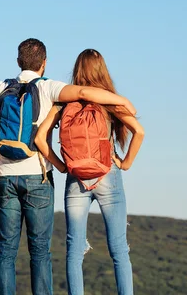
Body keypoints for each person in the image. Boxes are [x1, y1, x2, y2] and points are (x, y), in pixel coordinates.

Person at [0, 39, 137, 295]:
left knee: (5, 252)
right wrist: (123, 102)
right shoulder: (48, 87)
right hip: (38, 177)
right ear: (44, 63)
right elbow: (85, 93)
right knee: (40, 251)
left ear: (19, 61)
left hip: (7, 179)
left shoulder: (0, 88)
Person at [35, 49, 145, 295]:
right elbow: (139, 131)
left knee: (74, 250)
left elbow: (41, 138)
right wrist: (125, 163)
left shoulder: (64, 103)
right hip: (108, 174)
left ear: (77, 70)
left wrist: (62, 166)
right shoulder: (109, 100)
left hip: (76, 179)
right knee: (118, 249)